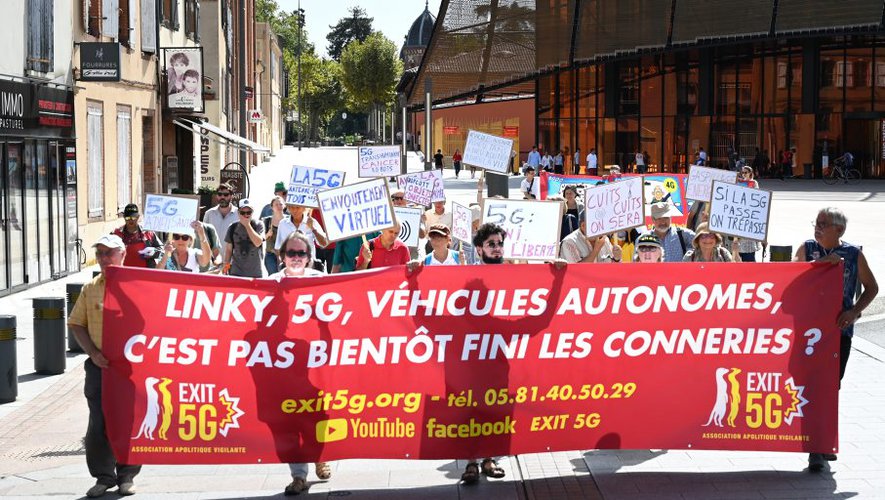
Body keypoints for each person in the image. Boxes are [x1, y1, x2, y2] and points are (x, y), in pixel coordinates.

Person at [795, 207, 878, 472]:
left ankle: (824, 441)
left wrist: (854, 312)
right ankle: (815, 449)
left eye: (823, 224)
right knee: (811, 389)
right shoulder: (807, 249)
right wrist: (820, 264)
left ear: (839, 230)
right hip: (808, 334)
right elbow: (791, 279)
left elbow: (872, 287)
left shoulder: (853, 254)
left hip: (838, 334)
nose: (817, 228)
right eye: (816, 223)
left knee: (831, 388)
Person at [68, 235, 141, 497]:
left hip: (130, 369)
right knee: (98, 423)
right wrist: (93, 353)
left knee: (128, 421)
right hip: (99, 368)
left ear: (123, 254)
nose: (103, 258)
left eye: (109, 253)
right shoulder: (90, 289)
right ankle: (103, 477)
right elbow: (76, 323)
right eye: (99, 253)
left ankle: (127, 476)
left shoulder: (139, 286)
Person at [267, 232, 333, 494]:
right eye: (291, 253)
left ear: (309, 257)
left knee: (317, 414)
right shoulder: (271, 283)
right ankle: (298, 476)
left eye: (301, 253)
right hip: (283, 365)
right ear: (282, 256)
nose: (296, 257)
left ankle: (319, 456)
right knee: (290, 420)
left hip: (315, 361)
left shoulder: (320, 281)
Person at [223, 199, 265, 277]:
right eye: (243, 213)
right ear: (238, 213)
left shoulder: (258, 225)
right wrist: (225, 268)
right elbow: (228, 250)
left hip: (255, 274)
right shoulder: (232, 227)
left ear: (252, 212)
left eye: (249, 212)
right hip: (236, 272)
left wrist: (247, 225)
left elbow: (258, 243)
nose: (246, 215)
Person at [112, 203, 162, 268]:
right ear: (124, 217)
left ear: (138, 217)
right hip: (123, 272)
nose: (131, 220)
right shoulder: (116, 234)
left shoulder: (148, 233)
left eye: (133, 217)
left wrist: (154, 252)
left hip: (145, 272)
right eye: (128, 218)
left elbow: (162, 250)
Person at [262, 196, 286, 275]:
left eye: (281, 204)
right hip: (270, 254)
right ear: (272, 207)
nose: (279, 206)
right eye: (276, 204)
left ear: (284, 206)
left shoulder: (288, 221)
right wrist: (267, 235)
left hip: (286, 254)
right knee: (273, 276)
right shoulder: (266, 221)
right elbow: (260, 239)